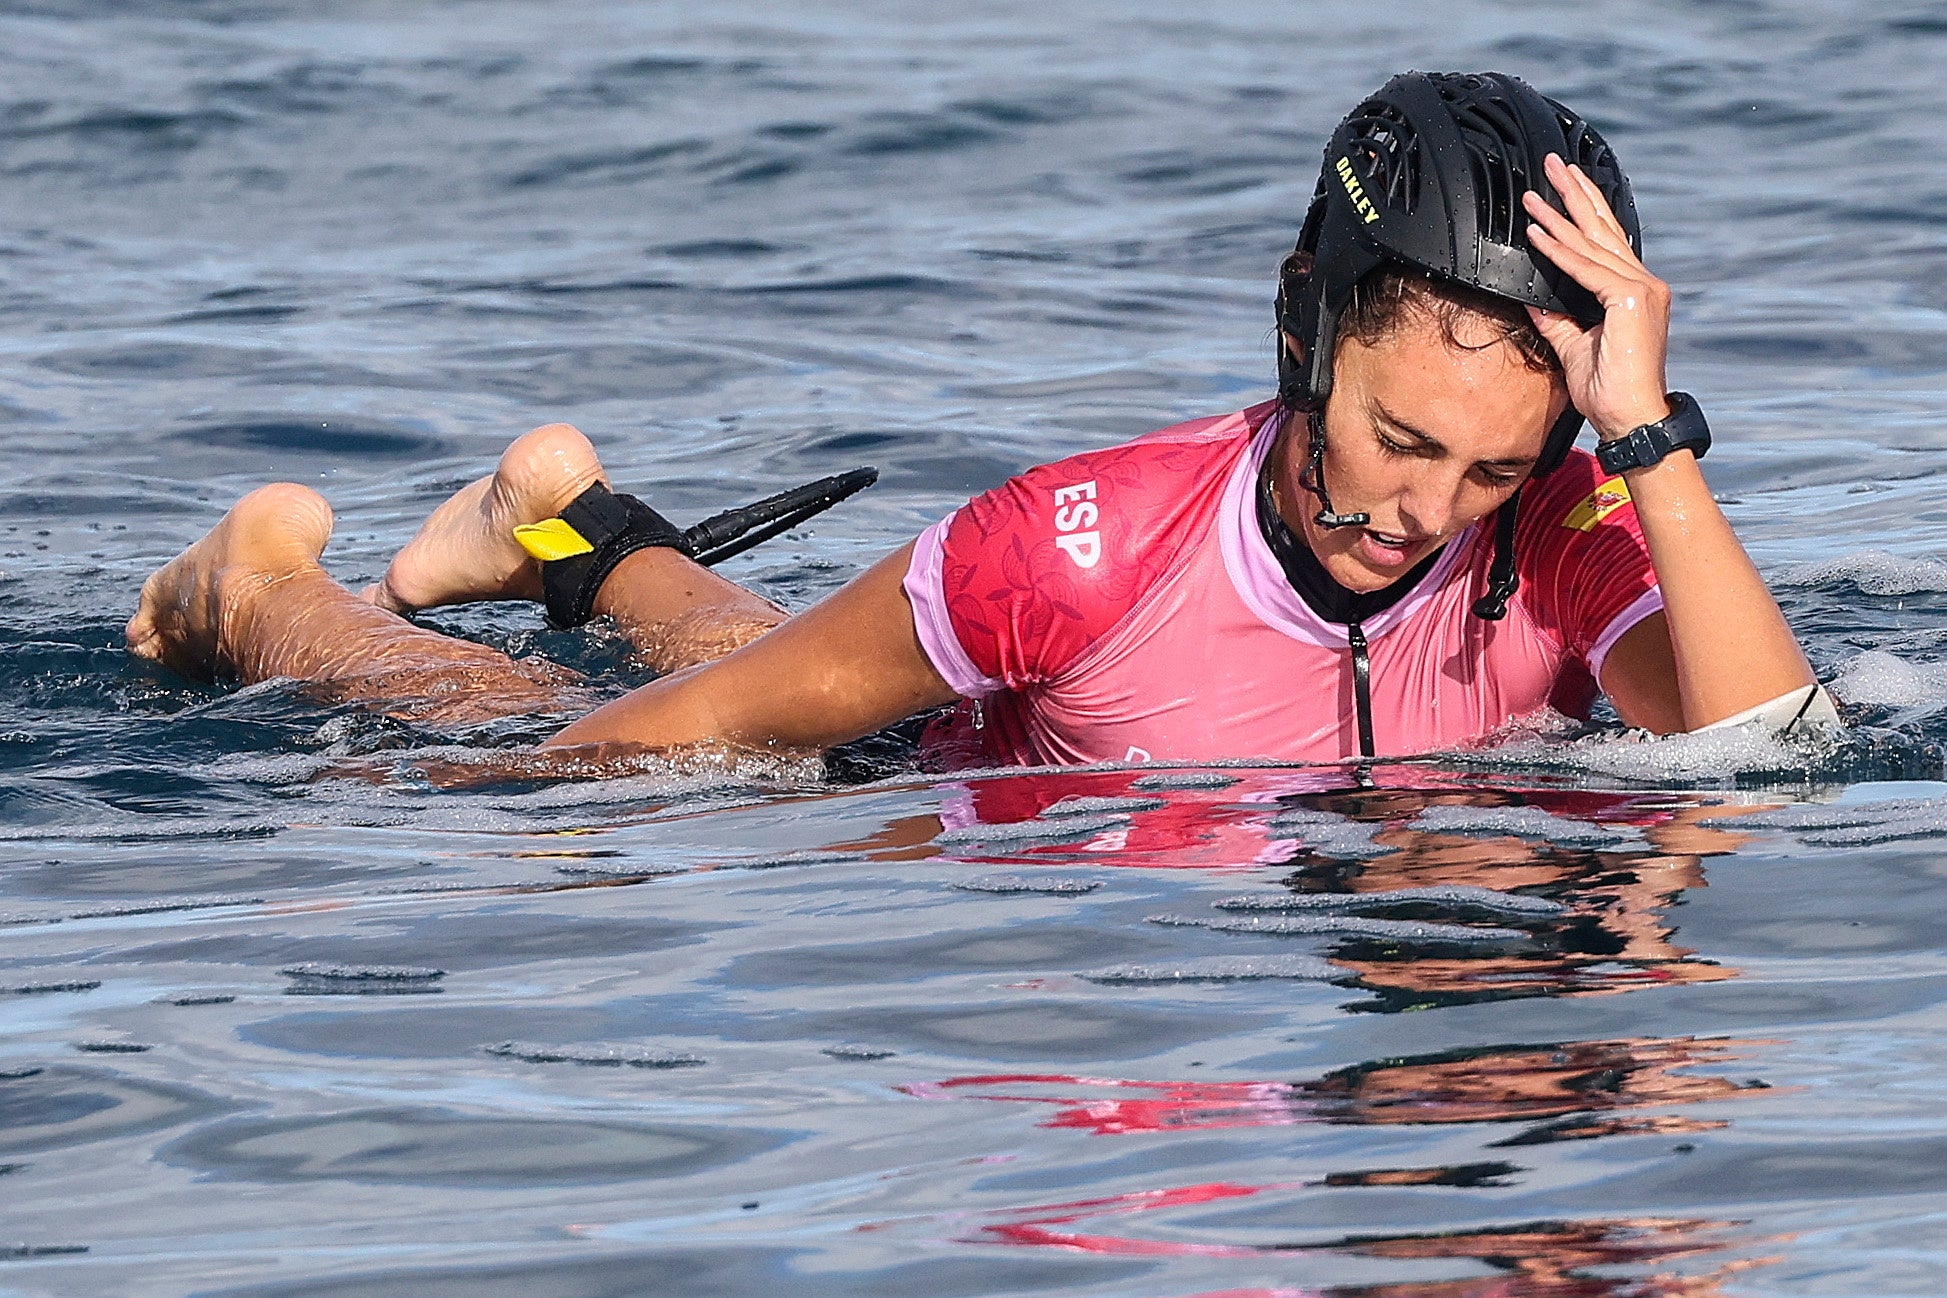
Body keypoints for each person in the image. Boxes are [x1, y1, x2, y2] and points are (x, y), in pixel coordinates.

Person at [125, 71, 1832, 769]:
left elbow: (1760, 764)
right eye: (1395, 437)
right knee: (672, 737)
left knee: (777, 656)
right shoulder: (1083, 545)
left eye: (1488, 469)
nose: (1420, 511)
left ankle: (562, 523)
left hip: (964, 740)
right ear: (1303, 331)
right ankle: (260, 587)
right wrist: (517, 806)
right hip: (919, 811)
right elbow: (643, 749)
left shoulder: (1570, 528)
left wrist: (1643, 443)